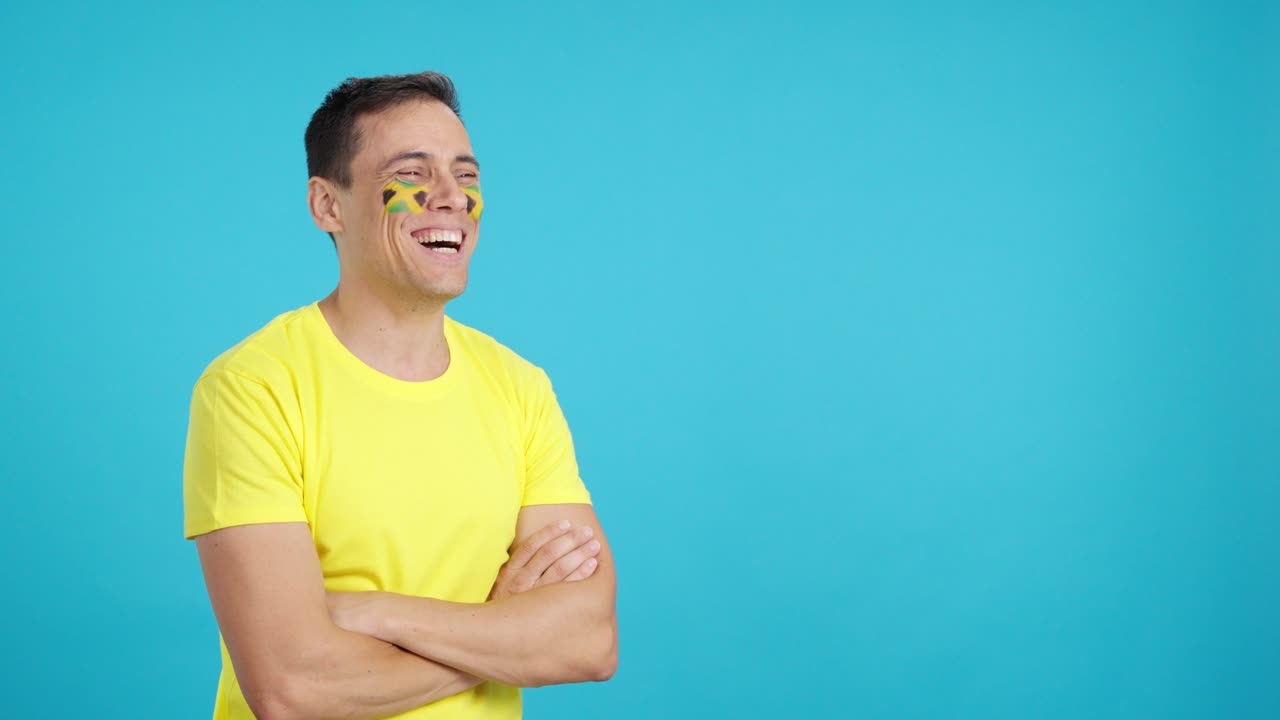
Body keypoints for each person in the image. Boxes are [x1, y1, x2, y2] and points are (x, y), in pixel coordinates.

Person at [182, 71, 617, 720]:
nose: (450, 197)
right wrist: (501, 630)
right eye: (413, 174)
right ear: (328, 205)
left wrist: (377, 613)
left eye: (466, 176)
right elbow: (292, 688)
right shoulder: (252, 388)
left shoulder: (520, 387)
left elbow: (588, 640)